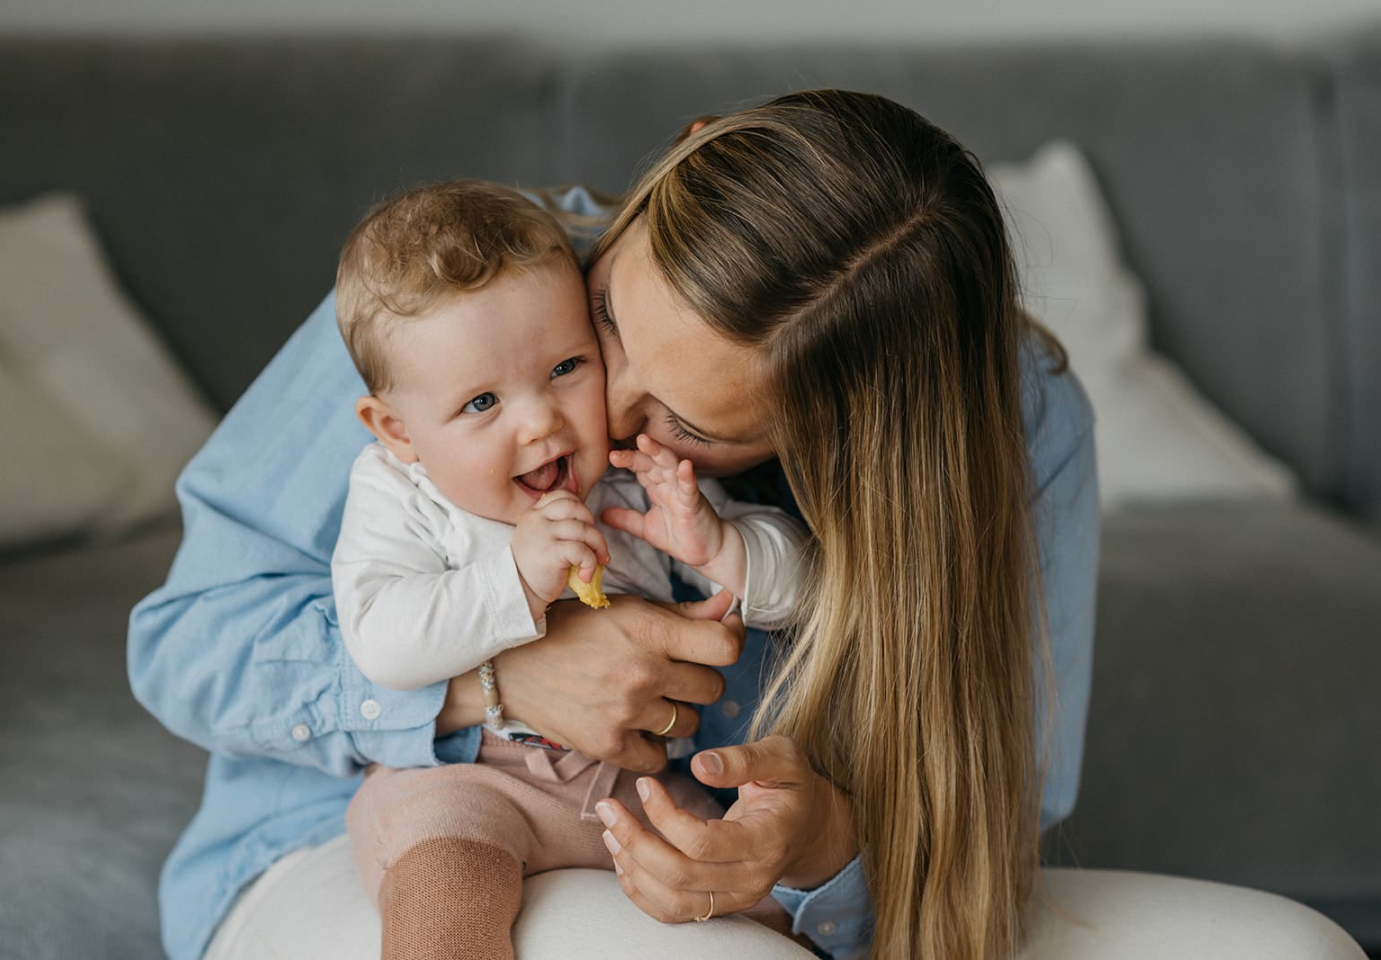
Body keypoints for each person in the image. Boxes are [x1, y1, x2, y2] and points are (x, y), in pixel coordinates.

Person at [128, 88, 1098, 960]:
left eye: (689, 423)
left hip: (667, 832)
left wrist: (825, 849)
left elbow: (987, 816)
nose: (586, 419)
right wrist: (493, 680)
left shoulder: (1024, 422)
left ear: (844, 444)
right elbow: (185, 647)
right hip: (366, 825)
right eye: (608, 324)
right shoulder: (463, 291)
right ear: (684, 151)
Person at [328, 180, 807, 957]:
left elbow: (807, 586)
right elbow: (382, 642)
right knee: (443, 898)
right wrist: (516, 580)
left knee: (763, 910)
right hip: (472, 778)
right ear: (397, 429)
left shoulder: (625, 472)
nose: (541, 421)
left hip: (638, 781)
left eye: (565, 368)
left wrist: (721, 544)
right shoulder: (398, 492)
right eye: (482, 402)